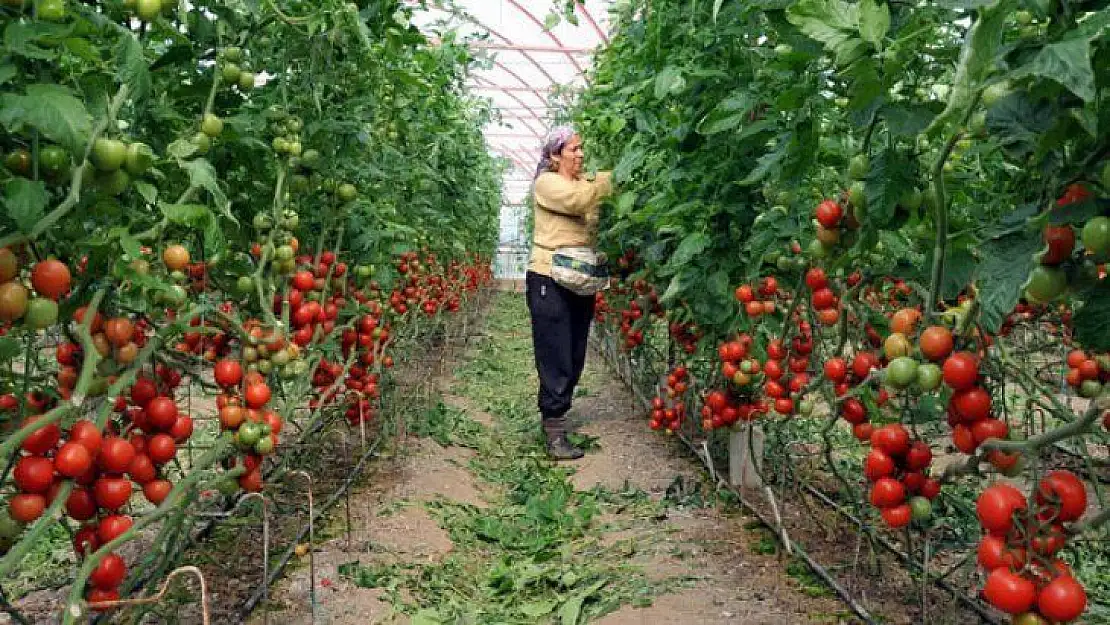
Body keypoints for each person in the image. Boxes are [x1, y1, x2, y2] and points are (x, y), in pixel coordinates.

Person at [526, 126, 613, 460]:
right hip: (549, 277)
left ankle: (557, 415)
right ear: (554, 155)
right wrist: (610, 179)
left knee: (575, 351)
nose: (580, 154)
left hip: (580, 277)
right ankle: (554, 429)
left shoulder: (582, 184)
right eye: (573, 149)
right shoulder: (547, 184)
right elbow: (581, 201)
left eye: (581, 148)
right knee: (555, 353)